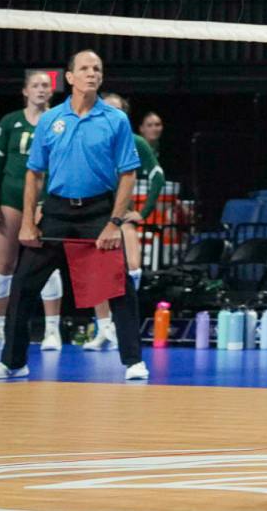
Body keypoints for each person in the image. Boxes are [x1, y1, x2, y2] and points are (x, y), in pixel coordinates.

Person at [0, 49, 147, 382]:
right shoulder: (50, 119)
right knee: (23, 286)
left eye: (97, 69)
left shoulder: (115, 120)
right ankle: (14, 362)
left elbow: (128, 174)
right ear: (70, 78)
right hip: (56, 210)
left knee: (118, 288)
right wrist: (29, 222)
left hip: (98, 212)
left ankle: (133, 362)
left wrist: (114, 223)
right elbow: (34, 174)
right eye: (84, 68)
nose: (92, 73)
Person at [0, 70, 62, 353]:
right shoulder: (10, 122)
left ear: (51, 91)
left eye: (45, 85)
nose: (41, 89)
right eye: (35, 85)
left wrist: (44, 203)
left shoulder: (59, 120)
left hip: (47, 199)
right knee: (2, 265)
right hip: (11, 198)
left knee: (47, 263)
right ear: (25, 91)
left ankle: (52, 331)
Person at [83, 91, 165, 354]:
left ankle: (123, 327)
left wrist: (144, 211)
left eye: (116, 109)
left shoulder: (135, 141)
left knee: (130, 270)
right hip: (93, 214)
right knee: (96, 272)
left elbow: (158, 176)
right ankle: (103, 328)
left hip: (120, 216)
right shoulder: (87, 139)